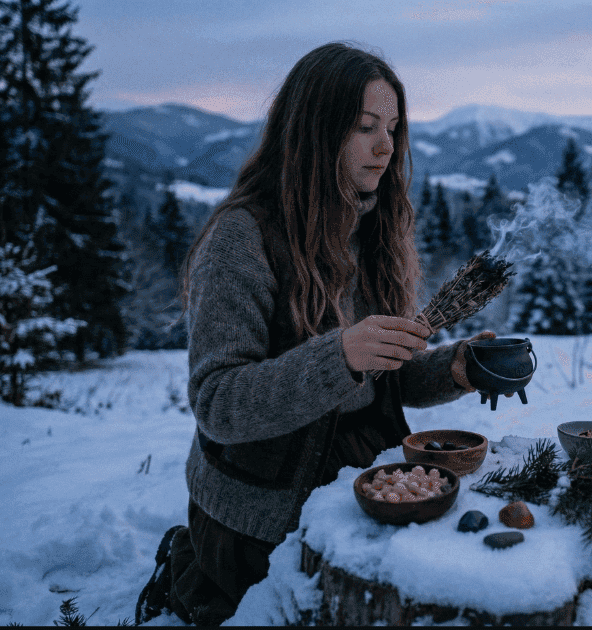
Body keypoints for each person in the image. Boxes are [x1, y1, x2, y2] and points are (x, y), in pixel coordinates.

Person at [134, 42, 498, 626]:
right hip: (263, 516)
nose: (386, 148)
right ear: (314, 132)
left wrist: (454, 368)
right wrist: (339, 356)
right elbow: (217, 404)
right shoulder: (242, 239)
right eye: (364, 128)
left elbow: (379, 373)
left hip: (365, 488)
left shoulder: (371, 227)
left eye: (393, 129)